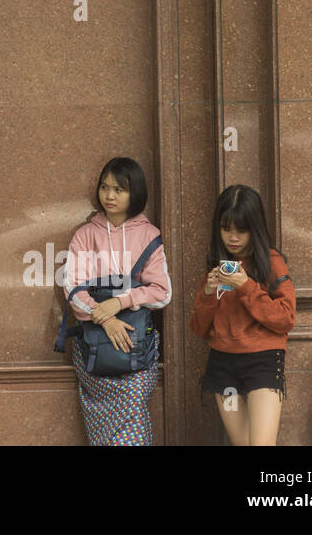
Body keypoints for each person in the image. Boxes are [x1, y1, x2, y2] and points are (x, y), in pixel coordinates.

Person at [63, 158, 171, 445]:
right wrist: (106, 319)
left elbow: (162, 292)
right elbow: (73, 289)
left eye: (119, 189)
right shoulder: (85, 235)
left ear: (135, 192)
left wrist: (122, 302)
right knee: (103, 432)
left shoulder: (149, 235)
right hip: (94, 351)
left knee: (133, 419)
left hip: (137, 352)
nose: (109, 196)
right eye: (104, 187)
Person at [189, 184, 296, 446]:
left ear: (255, 228)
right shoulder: (219, 265)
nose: (233, 237)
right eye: (226, 229)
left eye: (241, 230)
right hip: (222, 363)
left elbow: (285, 319)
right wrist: (208, 293)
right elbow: (199, 329)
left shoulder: (271, 262)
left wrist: (246, 286)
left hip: (264, 361)